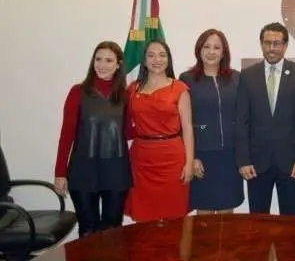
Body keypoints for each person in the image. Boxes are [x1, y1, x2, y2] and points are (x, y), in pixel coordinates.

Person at [53, 41, 131, 237]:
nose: (102, 65)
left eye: (108, 60)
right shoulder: (77, 92)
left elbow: (129, 132)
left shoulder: (126, 95)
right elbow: (66, 135)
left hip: (116, 170)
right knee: (88, 230)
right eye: (98, 59)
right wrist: (60, 172)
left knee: (112, 231)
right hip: (83, 170)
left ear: (118, 64)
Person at [235, 22, 295, 216]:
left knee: (292, 221)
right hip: (256, 165)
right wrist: (243, 160)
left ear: (285, 45)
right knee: (258, 222)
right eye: (267, 43)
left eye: (277, 43)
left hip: (291, 164)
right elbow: (241, 121)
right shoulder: (247, 75)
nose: (272, 48)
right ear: (261, 44)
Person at [125, 39, 194, 222]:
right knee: (144, 216)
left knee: (173, 215)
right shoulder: (133, 89)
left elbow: (187, 128)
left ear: (168, 60)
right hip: (141, 160)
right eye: (151, 55)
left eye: (162, 55)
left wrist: (188, 164)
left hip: (172, 159)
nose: (157, 60)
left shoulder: (179, 88)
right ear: (144, 60)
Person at [179, 29, 244, 214]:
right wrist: (191, 158)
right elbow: (183, 123)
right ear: (199, 50)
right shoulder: (187, 79)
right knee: (204, 216)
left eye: (217, 47)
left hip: (230, 156)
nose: (211, 51)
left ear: (224, 52)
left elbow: (243, 118)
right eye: (206, 46)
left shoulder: (237, 78)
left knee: (227, 213)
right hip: (202, 156)